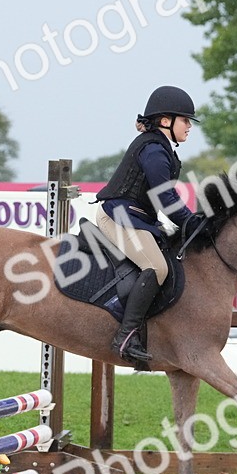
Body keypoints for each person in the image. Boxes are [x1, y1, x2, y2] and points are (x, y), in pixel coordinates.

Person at [95, 85, 205, 363]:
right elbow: (165, 197)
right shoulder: (155, 149)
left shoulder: (160, 146)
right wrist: (191, 222)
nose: (189, 126)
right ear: (166, 121)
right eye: (185, 120)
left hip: (136, 217)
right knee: (156, 266)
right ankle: (125, 336)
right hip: (117, 216)